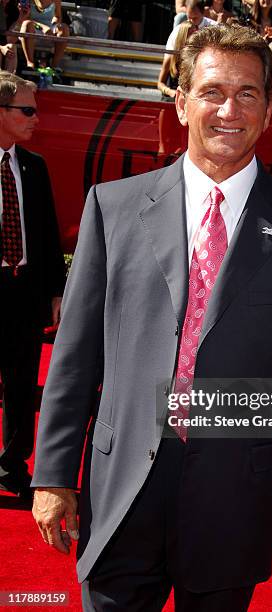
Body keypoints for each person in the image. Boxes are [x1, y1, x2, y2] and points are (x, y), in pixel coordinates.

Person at [32, 24, 272, 612]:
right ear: (181, 103)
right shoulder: (113, 207)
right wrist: (52, 475)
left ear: (269, 109)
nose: (229, 109)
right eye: (211, 91)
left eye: (248, 94)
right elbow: (75, 358)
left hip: (234, 496)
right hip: (120, 490)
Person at [0, 71, 65, 499]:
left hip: (24, 292)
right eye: (27, 110)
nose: (35, 118)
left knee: (23, 383)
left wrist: (58, 292)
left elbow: (48, 235)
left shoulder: (34, 167)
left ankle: (13, 467)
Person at [19, 0, 70, 70]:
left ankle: (54, 65)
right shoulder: (26, 1)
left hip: (49, 28)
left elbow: (57, 16)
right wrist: (42, 27)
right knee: (27, 24)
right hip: (31, 28)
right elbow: (24, 18)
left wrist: (54, 25)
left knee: (64, 28)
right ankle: (30, 63)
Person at [157, 21, 196, 99]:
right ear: (183, 36)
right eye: (190, 34)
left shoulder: (197, 58)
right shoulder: (171, 58)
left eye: (195, 34)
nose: (194, 38)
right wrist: (170, 91)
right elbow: (160, 83)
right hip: (171, 99)